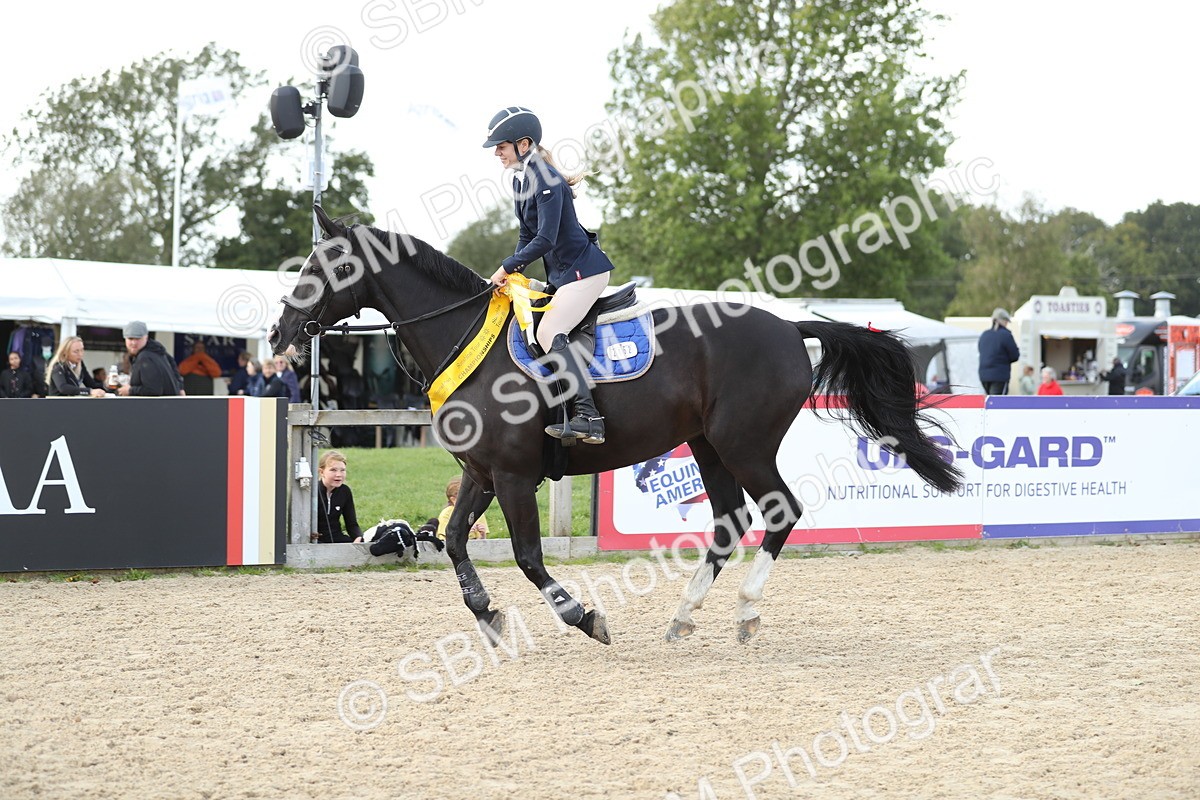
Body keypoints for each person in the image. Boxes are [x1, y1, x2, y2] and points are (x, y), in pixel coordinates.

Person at [484, 106, 614, 445]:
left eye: (502, 146)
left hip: (585, 273)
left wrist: (506, 266)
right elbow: (527, 235)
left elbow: (546, 239)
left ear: (523, 144)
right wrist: (511, 273)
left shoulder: (545, 178)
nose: (497, 153)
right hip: (564, 276)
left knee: (549, 331)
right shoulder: (523, 179)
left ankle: (589, 416)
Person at [117, 321, 184, 397]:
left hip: (159, 403)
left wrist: (130, 390)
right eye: (130, 338)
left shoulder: (145, 357)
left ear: (146, 337)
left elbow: (153, 390)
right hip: (171, 401)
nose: (134, 343)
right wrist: (180, 388)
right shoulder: (157, 350)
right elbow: (173, 364)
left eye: (138, 338)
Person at [312, 451, 363, 543]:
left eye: (342, 470)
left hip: (337, 538)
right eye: (333, 470)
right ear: (321, 472)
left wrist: (358, 537)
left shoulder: (345, 491)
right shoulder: (312, 492)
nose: (339, 475)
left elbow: (351, 523)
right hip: (315, 540)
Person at [977, 307, 1020, 395]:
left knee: (989, 400)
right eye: (1006, 321)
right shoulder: (1006, 335)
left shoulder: (984, 335)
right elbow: (1015, 356)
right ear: (1003, 321)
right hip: (999, 375)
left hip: (983, 375)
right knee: (998, 401)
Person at [437, 476, 490, 541]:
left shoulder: (478, 512)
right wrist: (465, 533)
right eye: (467, 498)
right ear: (454, 500)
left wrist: (482, 535)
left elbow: (482, 542)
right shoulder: (447, 514)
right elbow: (444, 540)